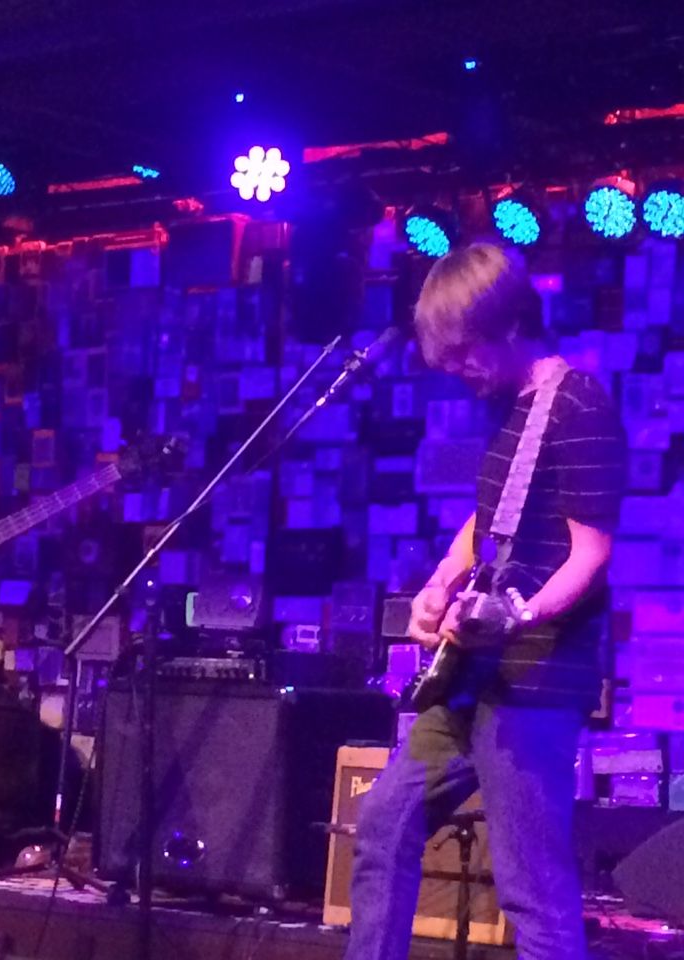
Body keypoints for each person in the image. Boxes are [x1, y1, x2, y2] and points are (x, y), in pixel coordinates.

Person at [345, 243, 626, 960]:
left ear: (510, 325)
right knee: (383, 822)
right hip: (473, 676)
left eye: (465, 350)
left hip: (535, 681)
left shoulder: (579, 405)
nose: (456, 369)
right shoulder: (513, 411)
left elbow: (590, 554)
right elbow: (490, 524)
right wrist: (440, 583)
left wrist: (517, 615)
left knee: (532, 890)